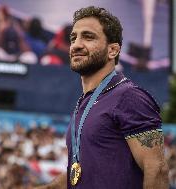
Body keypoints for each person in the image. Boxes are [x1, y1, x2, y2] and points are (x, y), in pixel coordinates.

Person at [35, 6, 168, 189]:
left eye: (88, 37)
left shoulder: (129, 97)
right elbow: (82, 173)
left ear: (112, 50)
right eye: (74, 38)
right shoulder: (85, 102)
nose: (77, 44)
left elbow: (157, 169)